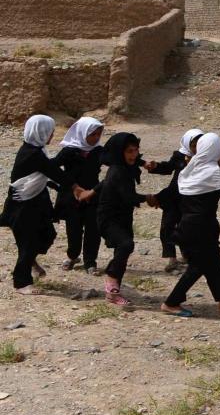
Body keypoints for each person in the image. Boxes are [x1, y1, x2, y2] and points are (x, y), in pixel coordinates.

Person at [160, 133, 220, 319]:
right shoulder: (213, 172)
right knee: (198, 266)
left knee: (214, 263)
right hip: (202, 227)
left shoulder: (189, 170)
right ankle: (171, 302)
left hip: (190, 226)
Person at [1, 115, 68, 293]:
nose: (52, 135)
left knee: (47, 235)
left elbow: (40, 176)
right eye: (50, 131)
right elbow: (53, 172)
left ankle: (29, 260)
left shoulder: (37, 151)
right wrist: (75, 187)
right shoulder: (31, 154)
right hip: (22, 207)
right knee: (28, 242)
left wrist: (56, 186)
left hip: (36, 202)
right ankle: (21, 282)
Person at [95, 132, 159, 307]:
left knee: (122, 250)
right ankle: (111, 280)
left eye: (136, 151)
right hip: (109, 218)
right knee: (125, 244)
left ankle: (114, 291)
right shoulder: (118, 171)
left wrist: (142, 162)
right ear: (120, 152)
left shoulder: (123, 166)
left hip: (123, 216)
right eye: (129, 151)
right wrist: (148, 197)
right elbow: (129, 197)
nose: (134, 155)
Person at [143, 128, 202, 273]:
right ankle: (172, 259)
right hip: (173, 197)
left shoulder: (204, 157)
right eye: (193, 145)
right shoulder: (180, 156)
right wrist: (156, 166)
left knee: (186, 228)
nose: (196, 148)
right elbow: (168, 168)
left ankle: (188, 256)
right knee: (167, 227)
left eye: (199, 145)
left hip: (191, 200)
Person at [55, 116, 105, 273]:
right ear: (82, 133)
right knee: (73, 229)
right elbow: (52, 167)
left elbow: (117, 159)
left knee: (93, 229)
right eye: (93, 134)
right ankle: (72, 256)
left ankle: (90, 262)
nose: (96, 138)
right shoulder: (69, 151)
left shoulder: (98, 151)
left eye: (98, 134)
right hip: (72, 197)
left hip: (92, 195)